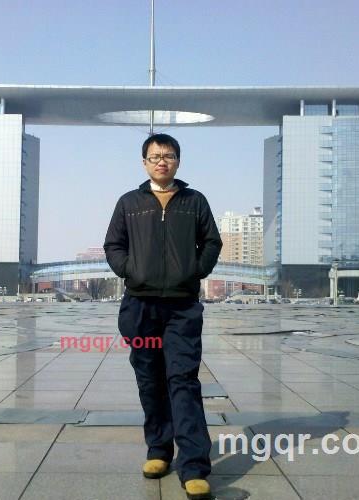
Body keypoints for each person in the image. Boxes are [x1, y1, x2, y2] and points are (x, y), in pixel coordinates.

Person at [103, 133, 222, 500]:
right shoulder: (129, 202)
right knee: (150, 379)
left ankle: (194, 466)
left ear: (177, 161)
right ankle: (158, 449)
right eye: (154, 157)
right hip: (140, 306)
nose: (161, 162)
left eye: (168, 156)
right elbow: (113, 245)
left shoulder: (194, 201)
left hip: (182, 308)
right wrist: (131, 270)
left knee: (183, 380)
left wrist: (194, 271)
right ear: (144, 163)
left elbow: (212, 242)